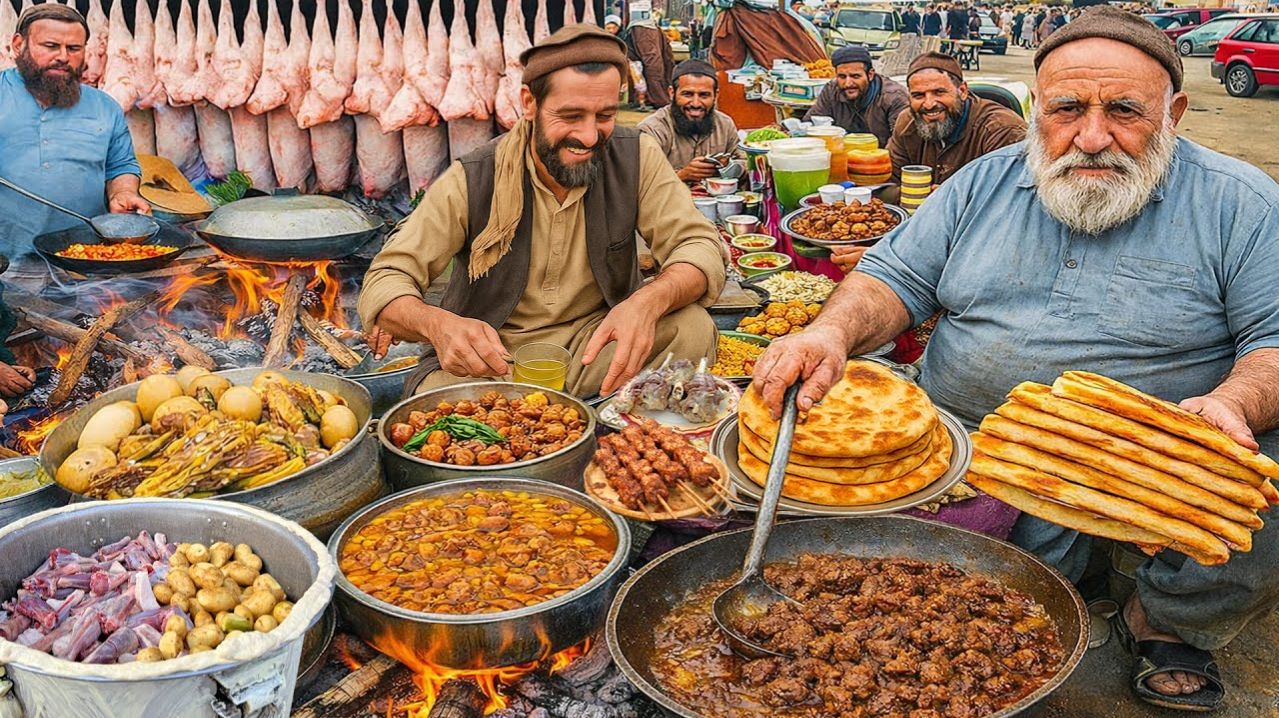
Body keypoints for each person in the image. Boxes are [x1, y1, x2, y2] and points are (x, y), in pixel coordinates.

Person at [753, 8, 1279, 712]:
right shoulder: (982, 183)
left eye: (1123, 110)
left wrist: (1234, 404)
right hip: (961, 434)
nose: (1091, 137)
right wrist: (829, 333)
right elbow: (892, 280)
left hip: (1155, 453)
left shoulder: (1240, 203)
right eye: (1065, 109)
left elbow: (1273, 341)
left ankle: (1165, 618)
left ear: (1173, 111)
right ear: (1037, 110)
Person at [359, 25, 724, 400]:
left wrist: (648, 302)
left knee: (691, 327)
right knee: (439, 399)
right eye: (570, 115)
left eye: (604, 115)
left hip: (598, 346)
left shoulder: (635, 156)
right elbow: (387, 277)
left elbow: (697, 244)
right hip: (494, 362)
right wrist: (436, 325)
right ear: (529, 103)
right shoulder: (475, 175)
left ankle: (597, 412)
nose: (588, 136)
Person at [829, 53, 1025, 274]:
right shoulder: (908, 121)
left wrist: (950, 200)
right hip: (919, 231)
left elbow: (1007, 214)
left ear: (962, 90)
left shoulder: (1001, 130)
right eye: (919, 95)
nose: (929, 104)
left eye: (939, 92)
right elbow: (887, 185)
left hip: (981, 251)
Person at [0, 4, 149, 284]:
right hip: (7, 265)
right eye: (51, 45)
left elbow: (121, 165)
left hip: (86, 259)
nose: (62, 57)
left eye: (74, 48)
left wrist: (123, 192)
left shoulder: (105, 107)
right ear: (18, 44)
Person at [637, 59, 740, 185]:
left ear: (716, 96)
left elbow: (744, 162)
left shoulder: (725, 125)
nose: (696, 103)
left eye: (704, 95)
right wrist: (682, 175)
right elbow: (640, 178)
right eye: (687, 94)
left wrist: (730, 166)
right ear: (672, 93)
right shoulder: (653, 129)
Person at [805, 45, 910, 147]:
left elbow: (901, 143)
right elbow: (811, 124)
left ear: (870, 75)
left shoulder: (893, 97)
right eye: (842, 76)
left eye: (855, 76)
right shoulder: (831, 90)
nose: (848, 83)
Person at [624, 13, 675, 108]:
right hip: (643, 24)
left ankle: (645, 98)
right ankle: (659, 98)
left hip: (648, 23)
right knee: (653, 64)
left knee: (663, 61)